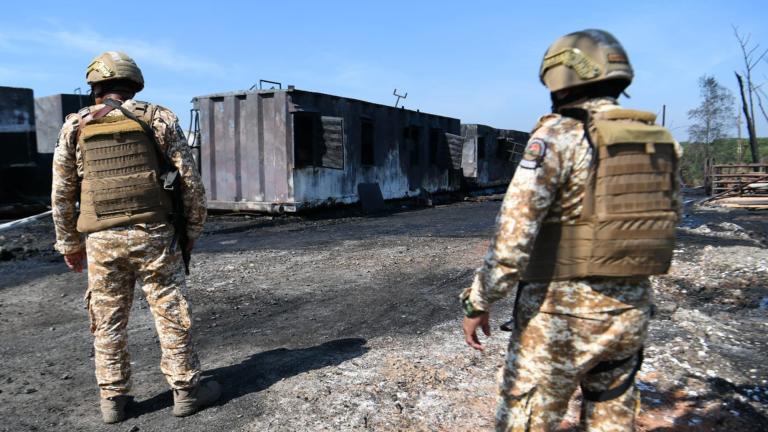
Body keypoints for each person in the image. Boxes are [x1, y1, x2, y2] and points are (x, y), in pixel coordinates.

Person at [460, 30, 682, 431]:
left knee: (524, 421)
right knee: (611, 418)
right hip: (629, 314)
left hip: (561, 317)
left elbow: (512, 242)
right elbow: (665, 222)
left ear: (559, 79)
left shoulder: (558, 137)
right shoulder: (658, 143)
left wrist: (477, 302)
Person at [51, 51, 220, 423]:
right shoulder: (157, 117)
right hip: (155, 235)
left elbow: (62, 193)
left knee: (107, 318)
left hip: (101, 241)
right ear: (134, 84)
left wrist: (69, 244)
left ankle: (113, 400)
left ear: (95, 87)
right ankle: (186, 391)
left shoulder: (74, 126)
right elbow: (190, 180)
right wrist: (192, 229)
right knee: (170, 310)